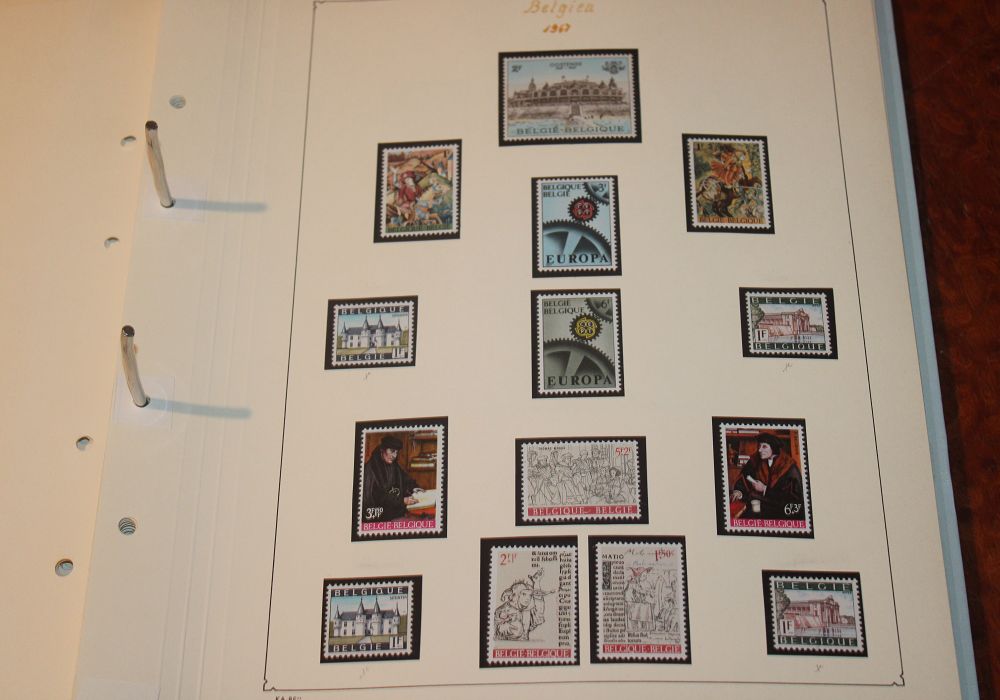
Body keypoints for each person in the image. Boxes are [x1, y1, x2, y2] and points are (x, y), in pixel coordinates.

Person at [730, 433, 804, 520]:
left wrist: (764, 489)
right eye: (759, 446)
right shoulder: (755, 460)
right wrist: (739, 492)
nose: (759, 450)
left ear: (774, 448)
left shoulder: (789, 467)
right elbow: (744, 478)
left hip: (779, 512)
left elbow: (794, 499)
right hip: (756, 508)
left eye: (764, 447)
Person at [362, 435, 422, 522]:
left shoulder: (394, 465)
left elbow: (406, 480)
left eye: (396, 452)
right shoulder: (371, 469)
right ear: (382, 450)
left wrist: (415, 488)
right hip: (377, 515)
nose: (394, 455)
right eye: (392, 451)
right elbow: (378, 496)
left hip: (395, 511)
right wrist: (402, 501)